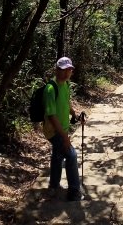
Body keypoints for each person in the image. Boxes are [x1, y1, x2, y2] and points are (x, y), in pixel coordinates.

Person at [43, 56, 83, 201]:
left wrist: (74, 114)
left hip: (63, 128)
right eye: (64, 70)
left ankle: (53, 186)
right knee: (71, 156)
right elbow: (52, 116)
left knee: (57, 156)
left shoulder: (65, 84)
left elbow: (67, 102)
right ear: (57, 70)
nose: (67, 73)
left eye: (69, 70)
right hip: (54, 131)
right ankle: (74, 191)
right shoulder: (50, 89)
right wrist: (65, 138)